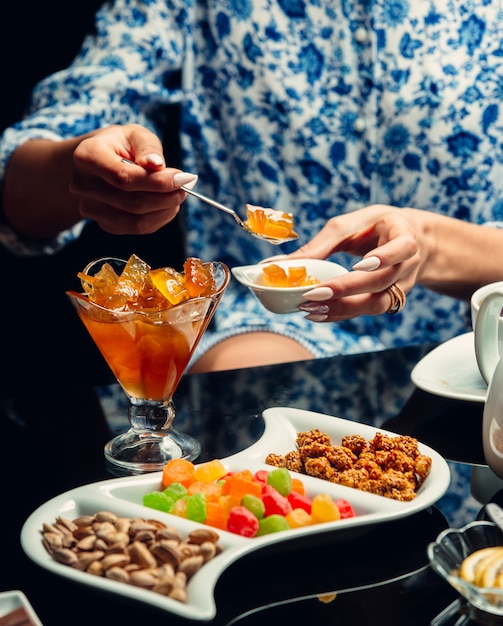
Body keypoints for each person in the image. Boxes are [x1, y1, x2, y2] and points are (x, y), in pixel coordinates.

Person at [2, 0, 503, 375]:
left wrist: (428, 243)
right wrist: (82, 164)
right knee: (250, 387)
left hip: (475, 333)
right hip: (269, 326)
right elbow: (18, 191)